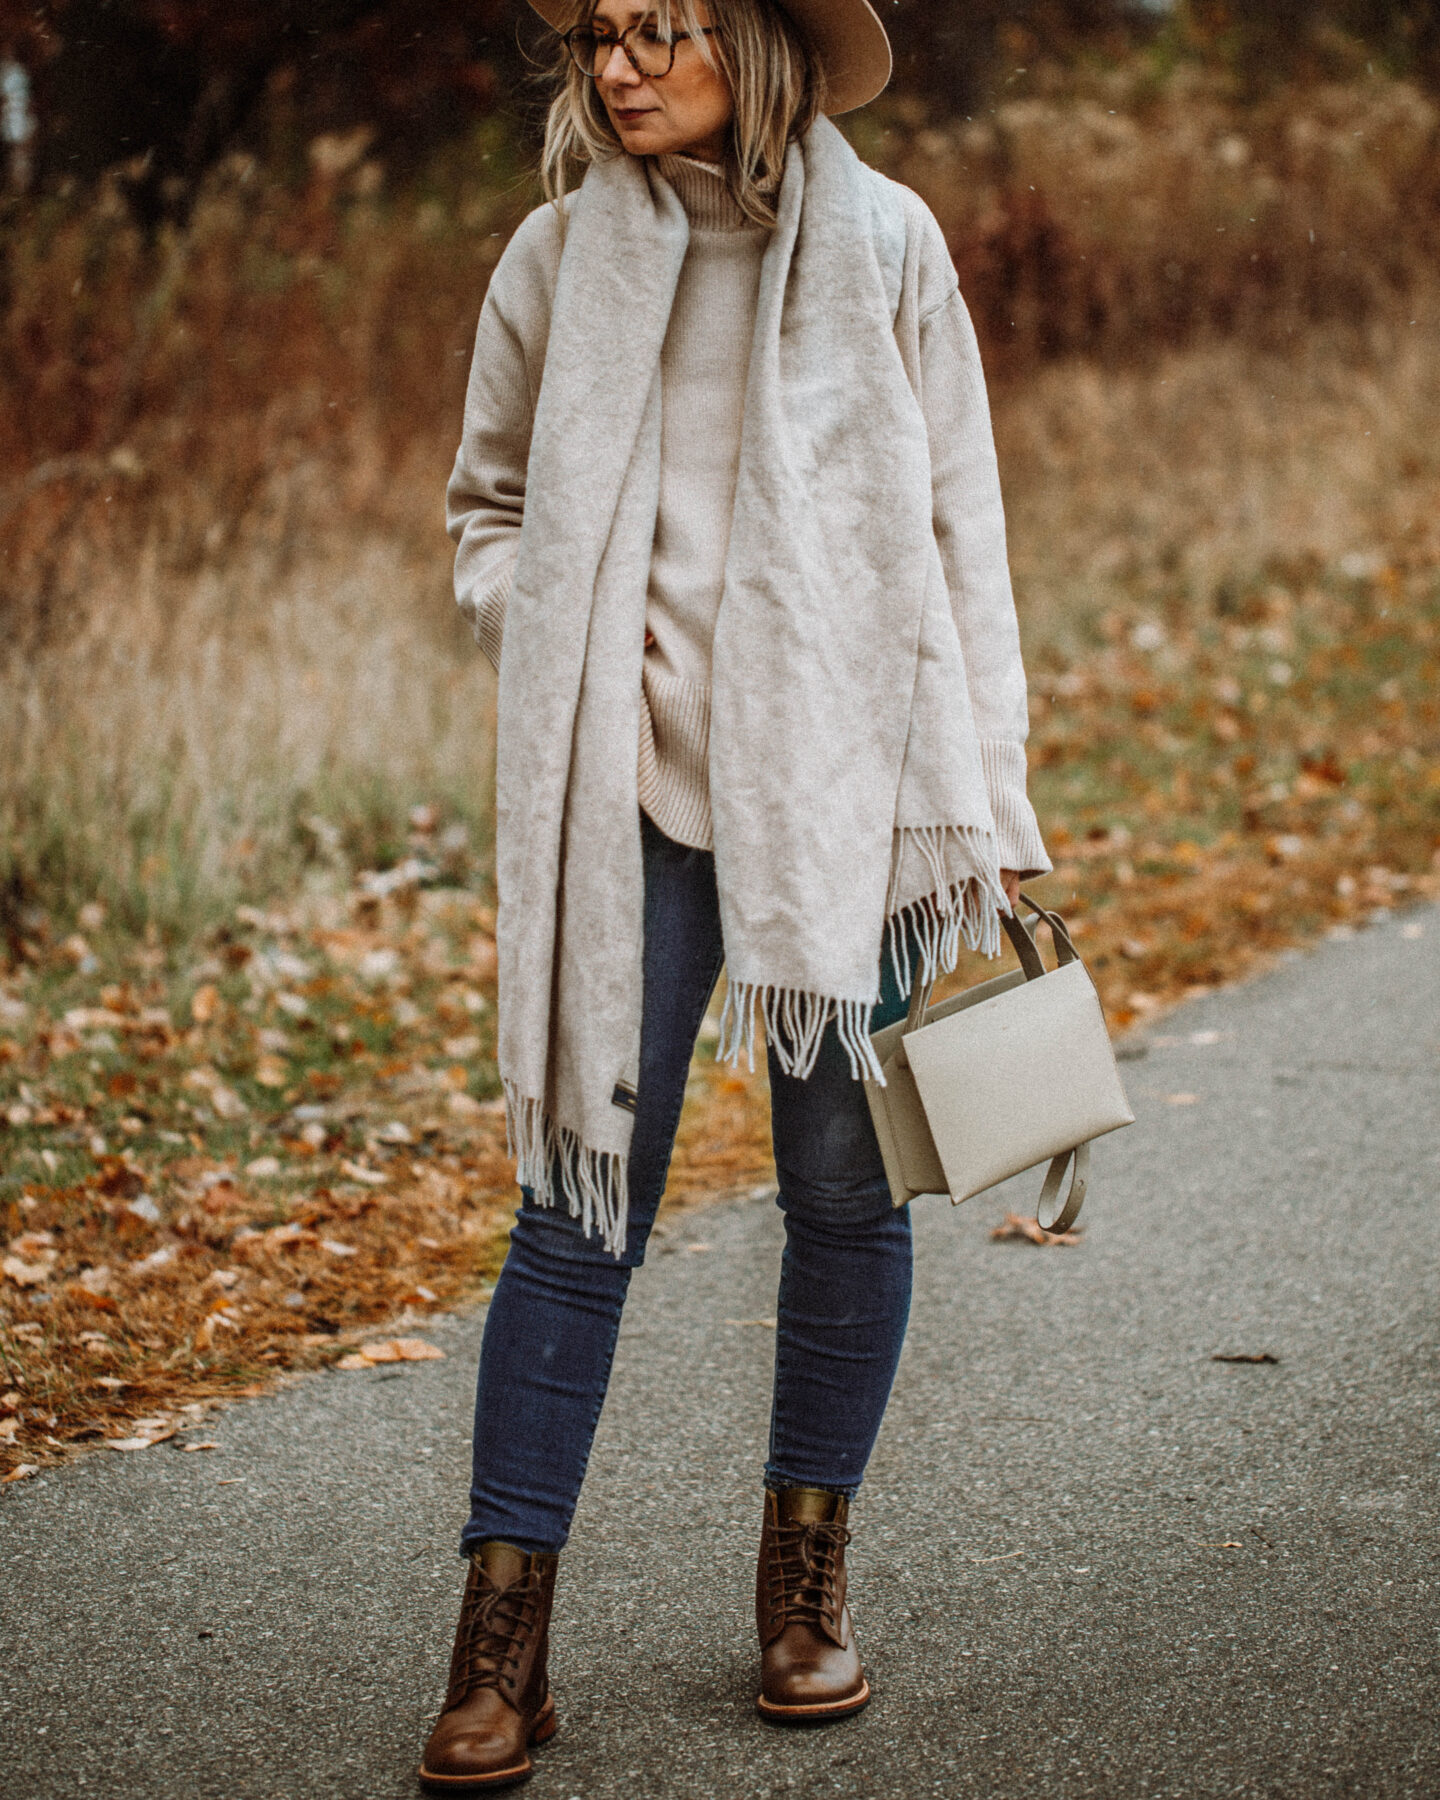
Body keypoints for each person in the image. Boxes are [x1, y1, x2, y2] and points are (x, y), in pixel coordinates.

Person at [423, 0, 1050, 1785]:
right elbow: (483, 508)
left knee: (844, 1197)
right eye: (603, 36)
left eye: (664, 30)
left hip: (845, 787)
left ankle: (803, 1588)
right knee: (577, 1206)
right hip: (627, 788)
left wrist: (994, 805)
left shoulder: (890, 246)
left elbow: (960, 533)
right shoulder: (550, 262)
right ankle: (502, 1641)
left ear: (756, 45)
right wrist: (554, 628)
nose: (622, 67)